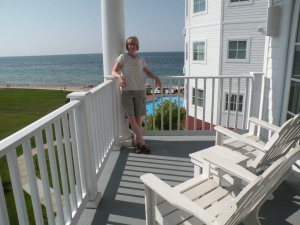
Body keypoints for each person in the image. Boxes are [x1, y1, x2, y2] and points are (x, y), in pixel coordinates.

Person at [112, 36, 162, 154]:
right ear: (127, 46)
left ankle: (136, 144)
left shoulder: (141, 59)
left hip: (140, 91)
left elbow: (147, 72)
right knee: (131, 118)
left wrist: (156, 78)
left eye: (134, 44)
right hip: (127, 91)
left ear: (137, 46)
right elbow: (114, 71)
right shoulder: (123, 57)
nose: (131, 46)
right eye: (129, 44)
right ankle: (142, 142)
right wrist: (120, 77)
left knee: (138, 119)